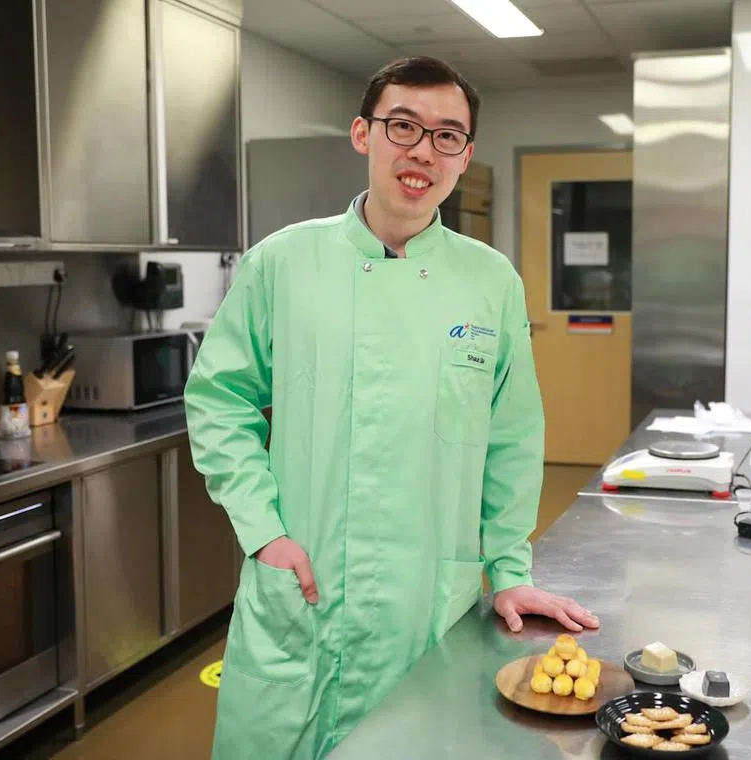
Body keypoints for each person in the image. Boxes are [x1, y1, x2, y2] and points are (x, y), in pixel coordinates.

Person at [184, 56, 600, 760]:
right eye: (403, 125)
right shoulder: (282, 264)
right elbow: (219, 401)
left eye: (446, 136)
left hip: (427, 605)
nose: (422, 151)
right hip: (305, 591)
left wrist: (509, 572)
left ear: (465, 157)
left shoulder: (489, 281)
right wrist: (263, 532)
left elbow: (512, 438)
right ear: (363, 134)